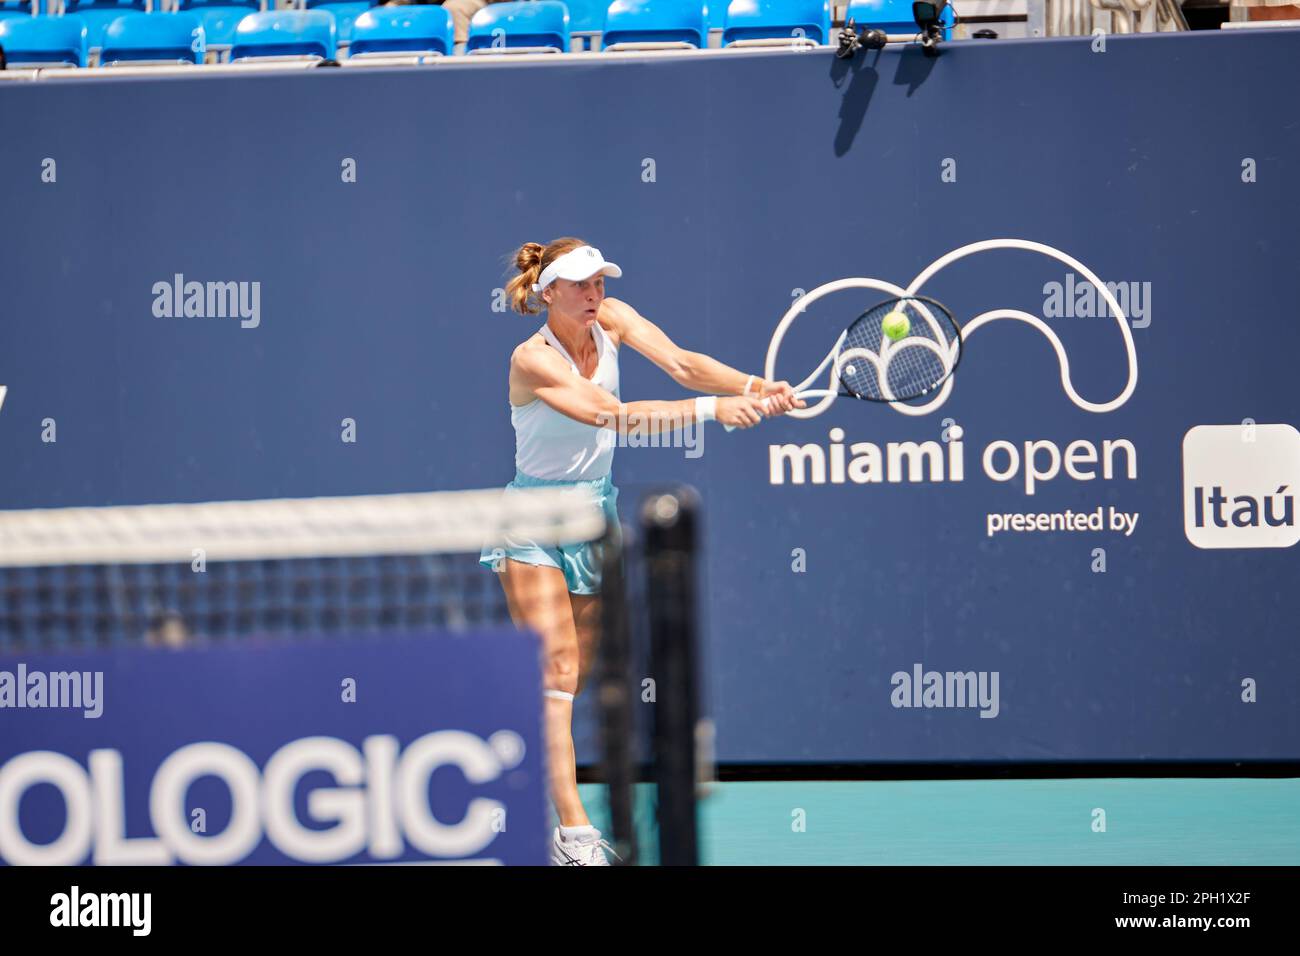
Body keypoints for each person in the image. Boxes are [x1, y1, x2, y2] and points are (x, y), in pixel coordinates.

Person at [480, 237, 800, 865]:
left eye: (598, 281)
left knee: (572, 682)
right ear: (549, 293)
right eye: (580, 284)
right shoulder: (531, 359)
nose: (594, 292)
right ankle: (573, 832)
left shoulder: (615, 319)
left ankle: (548, 795)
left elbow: (682, 364)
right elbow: (611, 417)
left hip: (592, 515)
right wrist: (716, 410)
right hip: (532, 519)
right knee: (558, 673)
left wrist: (757, 387)